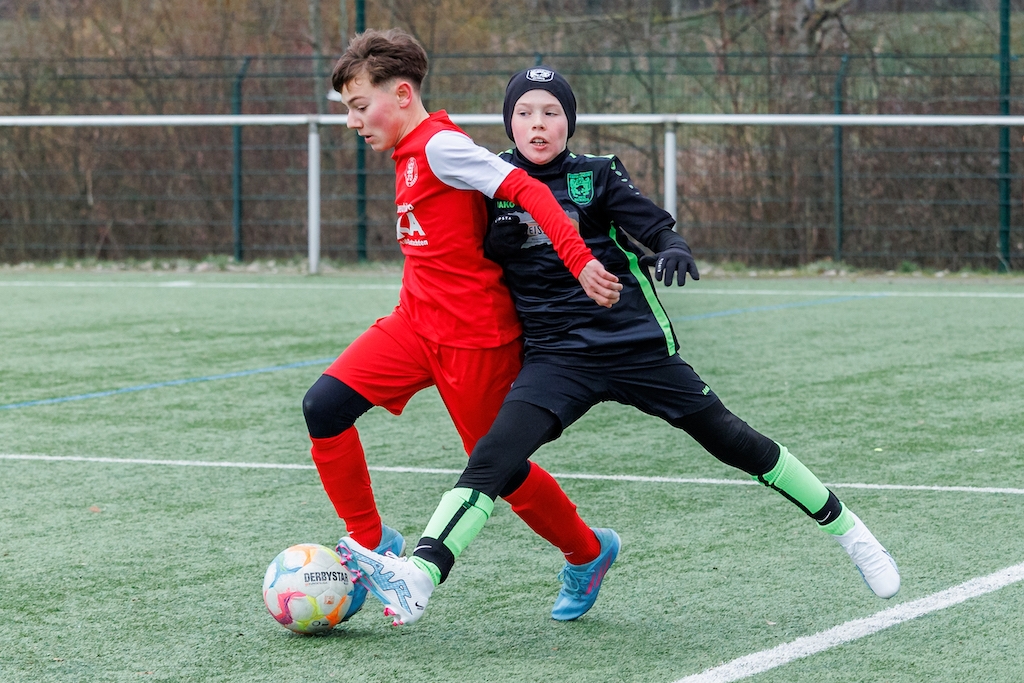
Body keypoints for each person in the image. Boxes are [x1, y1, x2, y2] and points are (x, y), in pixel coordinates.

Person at [337, 66, 901, 627]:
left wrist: (673, 246)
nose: (538, 124)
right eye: (524, 113)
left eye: (551, 112)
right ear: (509, 124)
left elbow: (653, 227)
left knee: (733, 440)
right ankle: (420, 576)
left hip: (634, 346)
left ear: (570, 123)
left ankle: (850, 531)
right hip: (557, 357)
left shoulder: (597, 174)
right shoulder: (489, 181)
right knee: (492, 457)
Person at [304, 33, 624, 622]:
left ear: (401, 96)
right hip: (413, 326)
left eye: (358, 106)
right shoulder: (406, 151)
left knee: (499, 469)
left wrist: (579, 260)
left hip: (476, 342)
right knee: (323, 407)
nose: (352, 122)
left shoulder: (442, 148)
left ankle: (588, 551)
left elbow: (525, 187)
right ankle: (372, 544)